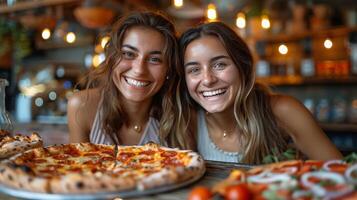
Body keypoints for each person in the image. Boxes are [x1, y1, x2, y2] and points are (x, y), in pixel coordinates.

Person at [171, 22, 342, 164]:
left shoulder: (283, 110)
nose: (208, 80)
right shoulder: (187, 121)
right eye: (194, 70)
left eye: (220, 65)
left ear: (243, 67)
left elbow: (341, 175)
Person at [67, 11, 179, 145]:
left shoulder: (181, 116)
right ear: (112, 58)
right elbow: (75, 164)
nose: (139, 70)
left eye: (155, 59)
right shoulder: (81, 106)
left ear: (169, 69)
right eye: (129, 54)